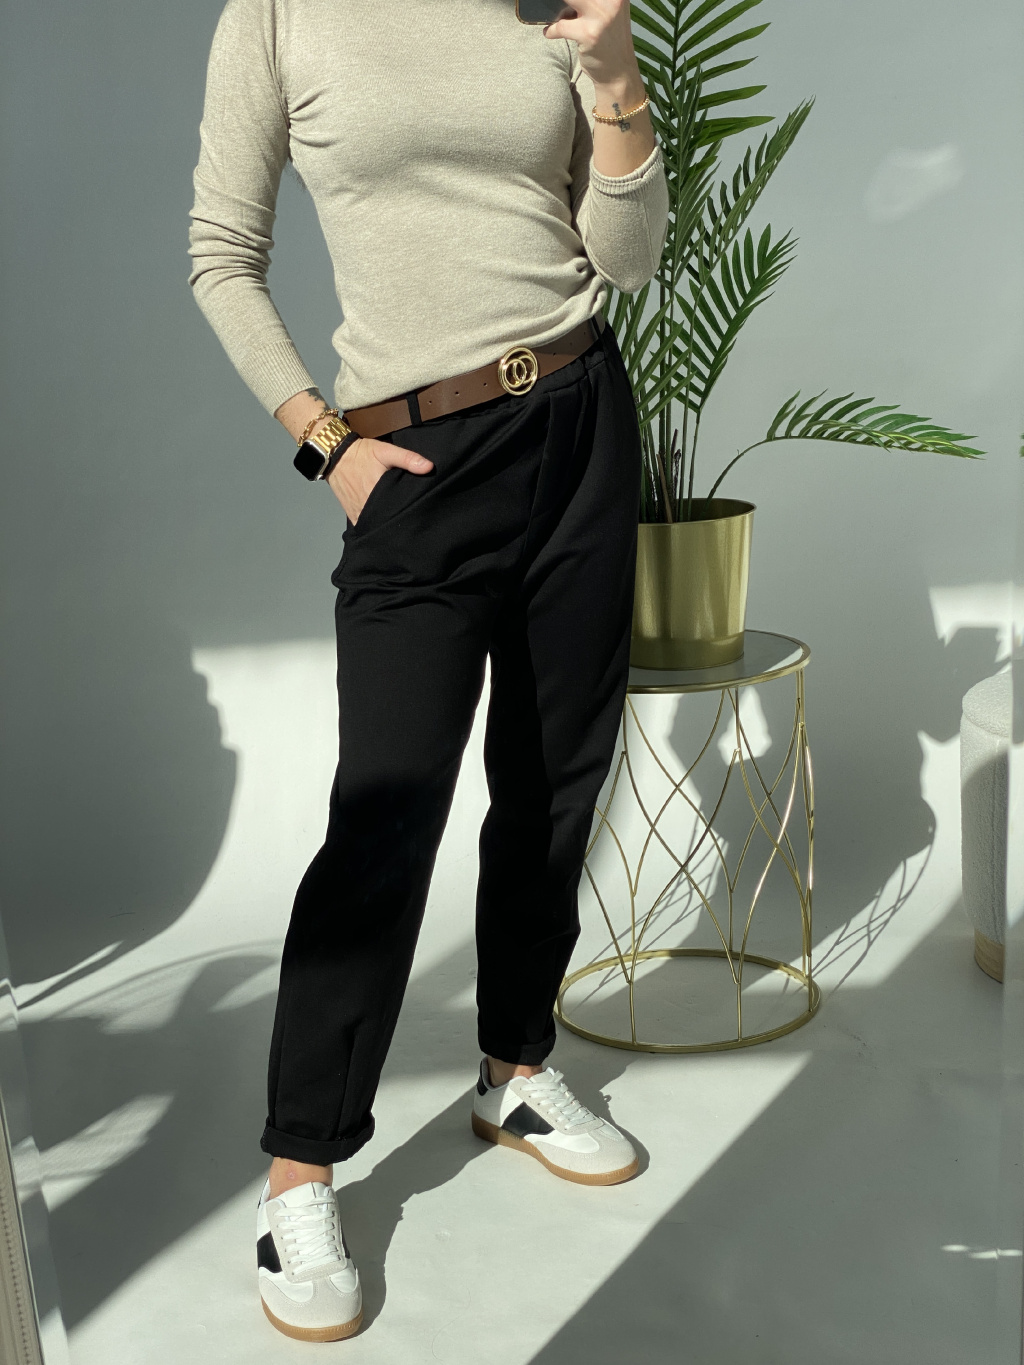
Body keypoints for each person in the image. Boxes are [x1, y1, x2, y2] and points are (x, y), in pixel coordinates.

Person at [187, 0, 669, 1342]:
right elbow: (221, 255)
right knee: (386, 813)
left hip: (580, 420)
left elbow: (629, 258)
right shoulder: (276, 14)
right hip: (413, 462)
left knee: (557, 780)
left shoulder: (548, 6)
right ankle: (301, 1169)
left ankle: (515, 1066)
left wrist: (613, 69)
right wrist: (323, 443)